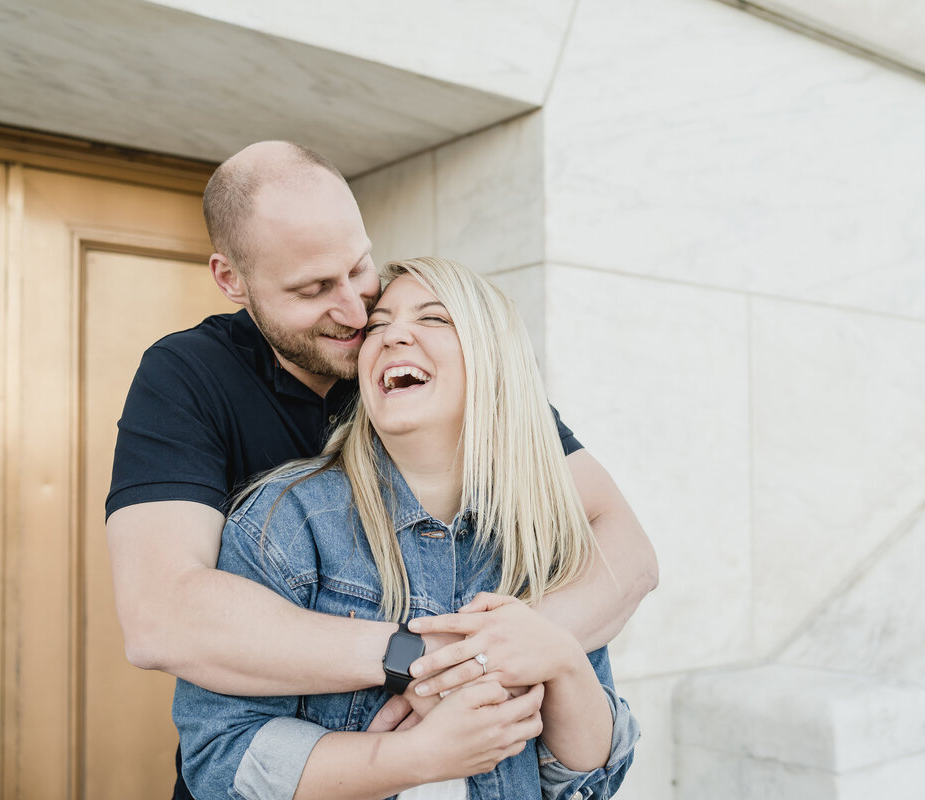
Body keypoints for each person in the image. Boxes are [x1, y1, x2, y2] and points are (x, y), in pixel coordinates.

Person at [105, 141, 657, 799]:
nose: (357, 312)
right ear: (231, 280)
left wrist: (540, 650)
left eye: (358, 267)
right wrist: (422, 663)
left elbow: (626, 553)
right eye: (314, 288)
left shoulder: (458, 401)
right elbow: (160, 617)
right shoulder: (200, 396)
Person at [174, 257, 639, 800]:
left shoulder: (544, 534)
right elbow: (221, 759)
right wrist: (411, 759)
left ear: (494, 360)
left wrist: (560, 657)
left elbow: (585, 779)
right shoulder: (284, 522)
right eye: (378, 326)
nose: (393, 335)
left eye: (434, 319)